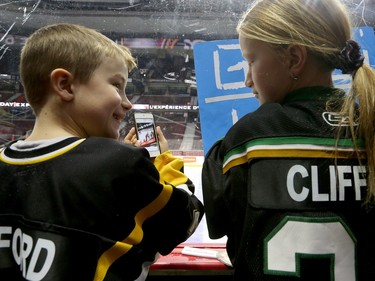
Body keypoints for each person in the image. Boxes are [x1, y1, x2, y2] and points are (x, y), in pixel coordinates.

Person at [0, 23, 204, 281]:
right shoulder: (119, 165)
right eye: (117, 85)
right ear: (65, 85)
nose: (128, 103)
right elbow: (185, 220)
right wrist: (161, 163)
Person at [201, 0, 375, 280]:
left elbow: (222, 224)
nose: (247, 79)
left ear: (294, 59)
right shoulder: (369, 126)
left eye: (251, 60)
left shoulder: (246, 139)